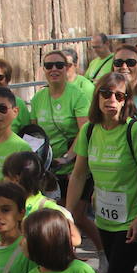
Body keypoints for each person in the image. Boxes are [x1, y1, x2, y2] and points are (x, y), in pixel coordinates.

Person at [67, 71, 137, 273]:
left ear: (126, 100)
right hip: (105, 220)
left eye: (119, 95)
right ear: (97, 97)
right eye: (106, 94)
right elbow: (78, 174)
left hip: (131, 221)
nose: (112, 100)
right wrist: (67, 215)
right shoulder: (89, 131)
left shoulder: (134, 131)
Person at [31, 46, 93, 194]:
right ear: (43, 69)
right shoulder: (38, 98)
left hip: (74, 168)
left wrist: (68, 158)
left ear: (66, 68)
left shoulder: (77, 95)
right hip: (48, 168)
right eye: (48, 66)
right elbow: (34, 133)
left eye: (59, 65)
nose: (54, 69)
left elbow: (84, 130)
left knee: (74, 215)